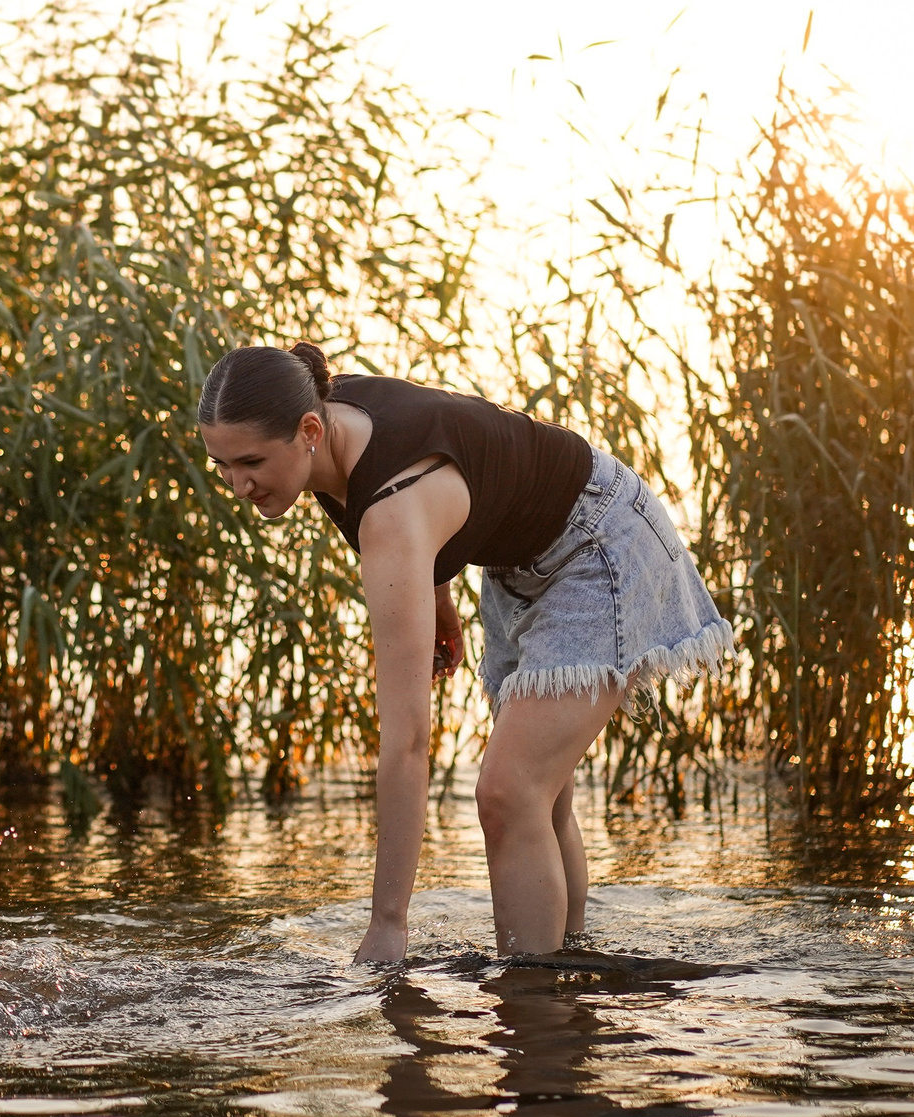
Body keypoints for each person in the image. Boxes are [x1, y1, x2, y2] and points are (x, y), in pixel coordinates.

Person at [197, 341, 730, 963]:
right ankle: (571, 981)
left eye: (251, 462)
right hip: (513, 553)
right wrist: (438, 593)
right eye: (222, 466)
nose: (237, 485)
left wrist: (389, 923)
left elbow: (407, 742)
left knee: (510, 791)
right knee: (542, 793)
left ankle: (532, 1003)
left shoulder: (390, 512)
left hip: (596, 541)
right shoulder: (326, 421)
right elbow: (449, 443)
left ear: (310, 429)